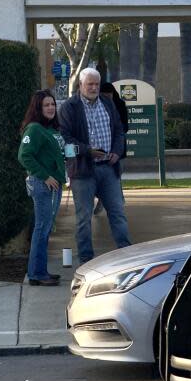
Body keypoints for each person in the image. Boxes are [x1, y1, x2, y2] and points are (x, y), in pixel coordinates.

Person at [59, 68, 131, 264]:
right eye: (89, 84)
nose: (93, 87)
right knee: (84, 219)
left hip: (109, 168)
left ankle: (127, 255)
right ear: (80, 85)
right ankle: (86, 259)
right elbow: (64, 139)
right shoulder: (69, 107)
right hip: (83, 171)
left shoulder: (108, 103)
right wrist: (86, 151)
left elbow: (119, 131)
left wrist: (117, 151)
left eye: (96, 84)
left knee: (118, 213)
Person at [17, 90, 66, 286]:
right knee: (42, 228)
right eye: (46, 105)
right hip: (42, 185)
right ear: (38, 108)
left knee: (45, 228)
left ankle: (39, 271)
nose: (51, 108)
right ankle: (37, 274)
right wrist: (45, 176)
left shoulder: (51, 129)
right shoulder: (35, 129)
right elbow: (24, 156)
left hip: (54, 185)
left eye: (52, 104)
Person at [95, 82, 129, 214]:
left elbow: (125, 127)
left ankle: (118, 202)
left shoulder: (119, 105)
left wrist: (115, 129)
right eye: (103, 95)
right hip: (101, 149)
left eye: (108, 95)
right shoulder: (97, 105)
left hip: (117, 148)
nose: (106, 97)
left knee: (116, 174)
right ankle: (103, 199)